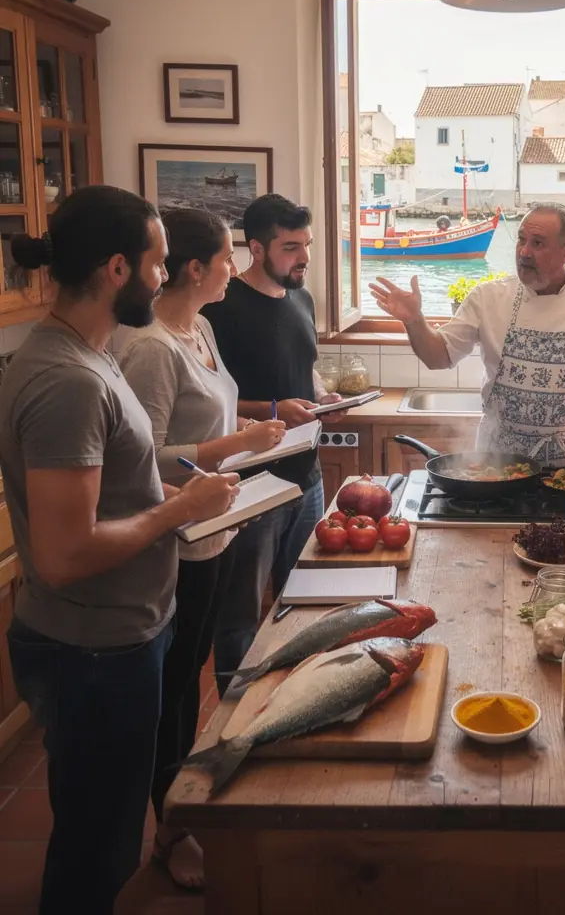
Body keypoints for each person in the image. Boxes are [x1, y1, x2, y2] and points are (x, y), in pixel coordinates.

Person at [0, 187, 239, 915]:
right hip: (93, 650)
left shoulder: (84, 354)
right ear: (116, 268)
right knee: (96, 847)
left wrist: (174, 495)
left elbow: (114, 487)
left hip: (113, 635)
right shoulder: (69, 380)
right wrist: (181, 510)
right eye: (158, 263)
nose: (165, 277)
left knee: (101, 827)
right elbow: (66, 552)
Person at [118, 209, 286, 890]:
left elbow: (211, 413)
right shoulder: (151, 347)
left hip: (217, 529)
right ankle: (171, 829)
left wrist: (254, 424)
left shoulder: (203, 328)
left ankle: (184, 813)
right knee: (176, 693)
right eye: (225, 259)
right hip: (178, 542)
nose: (233, 270)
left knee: (197, 679)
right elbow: (143, 456)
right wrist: (236, 447)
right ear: (197, 269)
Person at [370, 204, 565, 465]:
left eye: (537, 243)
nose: (524, 252)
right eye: (521, 240)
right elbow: (438, 357)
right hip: (497, 460)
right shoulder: (487, 298)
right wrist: (415, 320)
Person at [203, 194, 343, 695]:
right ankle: (233, 719)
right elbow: (212, 404)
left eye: (306, 244)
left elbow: (304, 368)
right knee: (240, 614)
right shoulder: (219, 310)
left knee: (303, 596)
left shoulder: (300, 297)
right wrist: (272, 411)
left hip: (307, 477)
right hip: (251, 485)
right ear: (256, 248)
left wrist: (323, 396)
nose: (303, 256)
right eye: (291, 247)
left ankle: (291, 698)